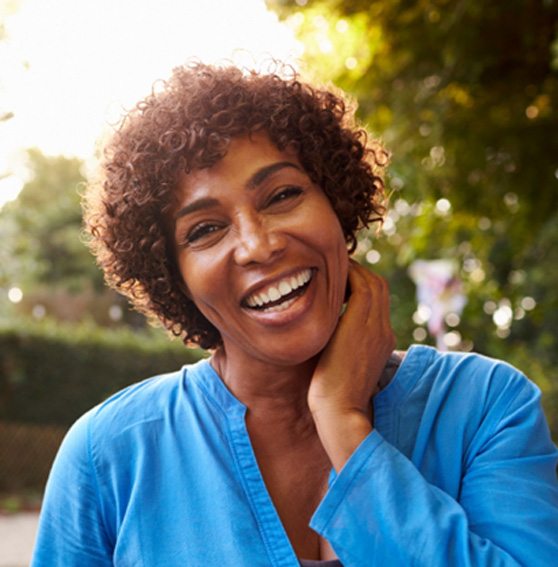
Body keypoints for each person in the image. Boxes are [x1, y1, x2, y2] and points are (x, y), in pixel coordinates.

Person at [32, 62, 558, 567]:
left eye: (282, 195)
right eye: (205, 230)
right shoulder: (108, 456)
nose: (258, 245)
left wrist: (344, 423)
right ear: (175, 278)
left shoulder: (484, 407)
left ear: (337, 204)